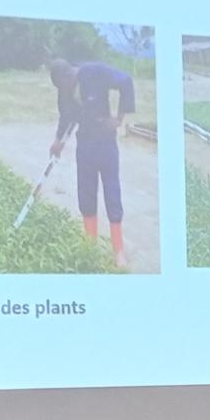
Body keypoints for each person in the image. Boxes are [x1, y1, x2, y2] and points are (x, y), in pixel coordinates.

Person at [48, 58, 137, 268]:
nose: (65, 91)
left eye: (65, 86)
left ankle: (118, 251)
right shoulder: (64, 91)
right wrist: (58, 141)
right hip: (85, 145)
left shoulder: (95, 72)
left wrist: (119, 119)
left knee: (112, 194)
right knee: (86, 195)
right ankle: (90, 247)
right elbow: (66, 117)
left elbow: (126, 81)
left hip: (106, 145)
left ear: (70, 75)